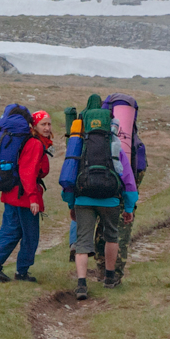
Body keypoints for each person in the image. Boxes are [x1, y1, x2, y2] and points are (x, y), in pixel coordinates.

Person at [60, 105, 138, 300]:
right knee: (111, 236)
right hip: (110, 199)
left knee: (83, 241)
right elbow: (128, 179)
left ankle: (81, 284)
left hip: (83, 199)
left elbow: (69, 176)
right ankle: (110, 278)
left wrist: (71, 204)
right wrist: (129, 207)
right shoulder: (114, 144)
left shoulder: (79, 144)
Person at [0, 110, 52, 282]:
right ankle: (22, 272)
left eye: (49, 124)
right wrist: (33, 199)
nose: (47, 127)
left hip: (12, 194)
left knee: (10, 231)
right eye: (43, 124)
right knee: (30, 235)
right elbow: (27, 172)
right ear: (34, 126)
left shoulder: (29, 141)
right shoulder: (35, 144)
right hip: (24, 197)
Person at [95, 94, 146, 284]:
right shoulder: (135, 144)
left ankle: (102, 270)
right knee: (121, 230)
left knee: (103, 226)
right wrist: (130, 205)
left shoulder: (99, 136)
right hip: (127, 182)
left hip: (102, 185)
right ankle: (114, 274)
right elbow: (138, 170)